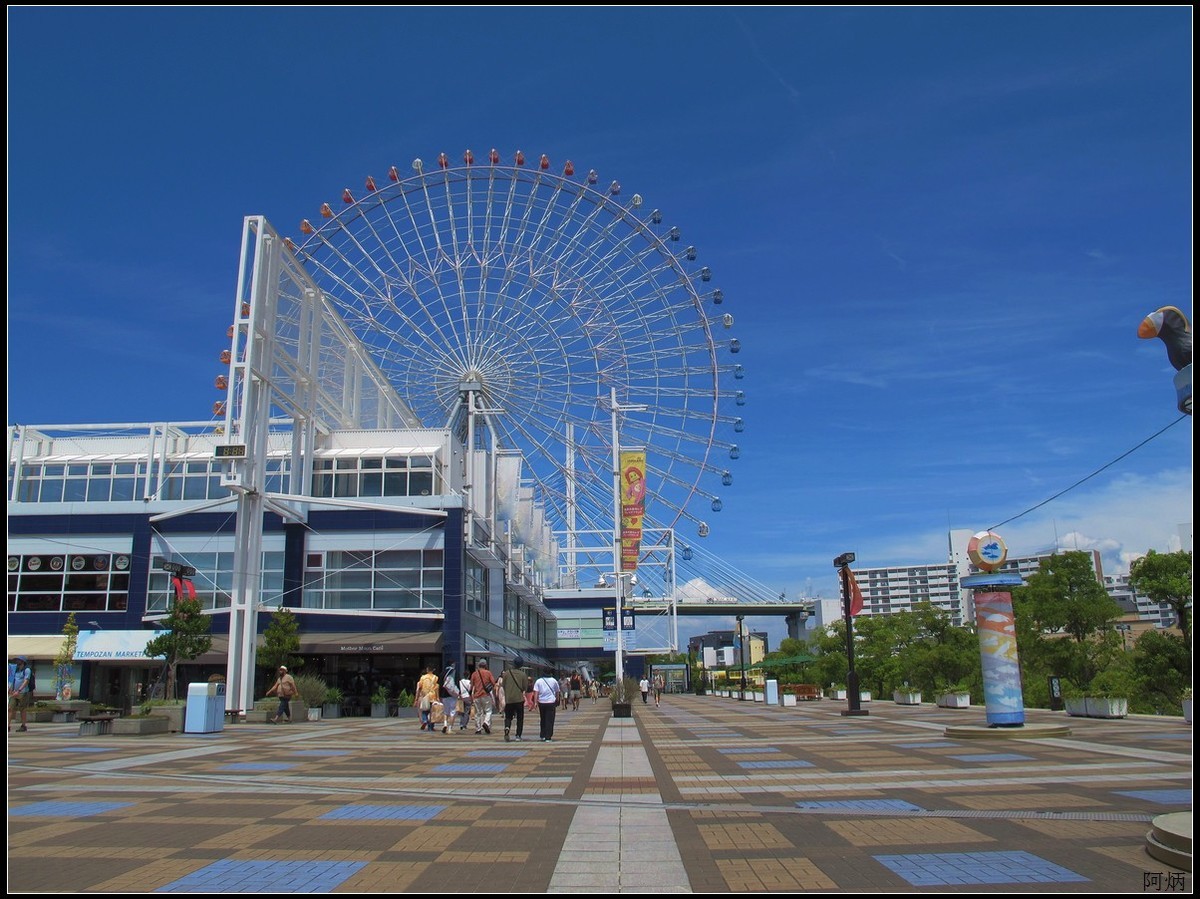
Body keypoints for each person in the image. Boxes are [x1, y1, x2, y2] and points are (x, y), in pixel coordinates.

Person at [500, 656, 530, 742]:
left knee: (508, 716)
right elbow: (525, 688)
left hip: (509, 699)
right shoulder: (523, 675)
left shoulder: (506, 673)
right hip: (519, 699)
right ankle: (518, 735)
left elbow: (503, 685)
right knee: (520, 718)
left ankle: (507, 727)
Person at [470, 658, 499, 734]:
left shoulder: (474, 674)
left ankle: (478, 729)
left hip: (476, 695)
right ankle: (486, 723)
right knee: (488, 711)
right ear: (485, 665)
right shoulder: (488, 673)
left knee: (478, 713)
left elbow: (471, 685)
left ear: (479, 665)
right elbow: (493, 683)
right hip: (486, 695)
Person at [533, 671, 561, 742]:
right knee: (550, 720)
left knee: (543, 719)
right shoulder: (554, 680)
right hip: (551, 702)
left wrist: (535, 702)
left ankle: (543, 735)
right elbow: (557, 691)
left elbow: (536, 692)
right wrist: (557, 700)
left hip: (541, 702)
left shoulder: (539, 681)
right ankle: (548, 737)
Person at [9, 656, 33, 733]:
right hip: (14, 692)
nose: (17, 662)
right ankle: (8, 725)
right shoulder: (15, 670)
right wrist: (10, 689)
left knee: (22, 709)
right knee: (10, 708)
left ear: (23, 662)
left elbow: (26, 681)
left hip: (23, 692)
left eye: (18, 660)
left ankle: (23, 725)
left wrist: (19, 690)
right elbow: (12, 680)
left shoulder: (27, 670)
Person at [416, 667, 439, 732]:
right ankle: (431, 727)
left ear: (427, 670)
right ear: (433, 670)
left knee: (425, 711)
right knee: (433, 712)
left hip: (425, 696)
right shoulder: (436, 677)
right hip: (433, 696)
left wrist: (417, 698)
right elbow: (437, 687)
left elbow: (420, 687)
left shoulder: (423, 677)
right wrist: (438, 697)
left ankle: (425, 720)